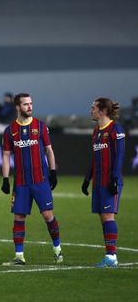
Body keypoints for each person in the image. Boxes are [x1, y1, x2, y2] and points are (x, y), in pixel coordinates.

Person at [1, 93, 63, 265]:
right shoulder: (10, 131)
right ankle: (19, 256)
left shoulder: (40, 126)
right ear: (18, 107)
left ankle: (57, 249)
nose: (30, 107)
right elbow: (6, 156)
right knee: (18, 217)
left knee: (47, 215)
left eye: (31, 104)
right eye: (26, 104)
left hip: (40, 180)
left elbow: (49, 150)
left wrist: (53, 171)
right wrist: (5, 178)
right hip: (20, 183)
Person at [81, 98, 125, 268]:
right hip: (98, 182)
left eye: (93, 108)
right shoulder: (96, 131)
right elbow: (95, 158)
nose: (90, 110)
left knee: (108, 216)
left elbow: (120, 155)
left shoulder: (115, 128)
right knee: (102, 218)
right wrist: (87, 178)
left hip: (109, 181)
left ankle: (112, 257)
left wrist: (114, 178)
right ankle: (109, 254)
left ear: (103, 111)